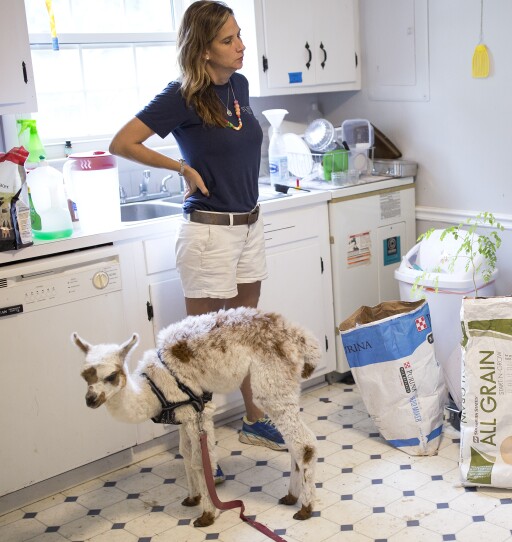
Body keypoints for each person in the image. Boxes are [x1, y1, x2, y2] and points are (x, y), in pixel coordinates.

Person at [109, 0, 286, 460]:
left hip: (250, 223)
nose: (241, 46)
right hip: (208, 233)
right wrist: (181, 168)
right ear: (203, 50)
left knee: (246, 332)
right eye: (228, 41)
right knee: (198, 346)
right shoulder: (181, 96)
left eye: (239, 36)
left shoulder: (240, 86)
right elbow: (122, 142)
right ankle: (198, 444)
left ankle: (253, 419)